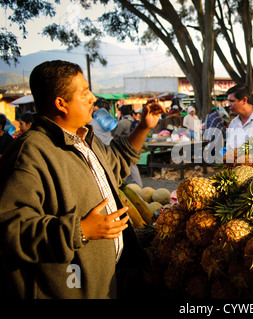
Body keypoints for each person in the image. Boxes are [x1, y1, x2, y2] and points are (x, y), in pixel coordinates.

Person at [0, 60, 167, 299]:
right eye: (85, 92)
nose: (93, 98)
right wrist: (80, 230)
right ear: (61, 103)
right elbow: (9, 230)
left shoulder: (84, 139)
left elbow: (116, 161)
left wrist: (143, 127)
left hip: (103, 285)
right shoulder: (29, 154)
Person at [113, 104, 142, 187]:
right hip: (134, 145)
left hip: (125, 146)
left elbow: (116, 135)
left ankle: (138, 184)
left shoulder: (123, 122)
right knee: (129, 164)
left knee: (130, 165)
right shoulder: (133, 120)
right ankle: (122, 183)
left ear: (121, 113)